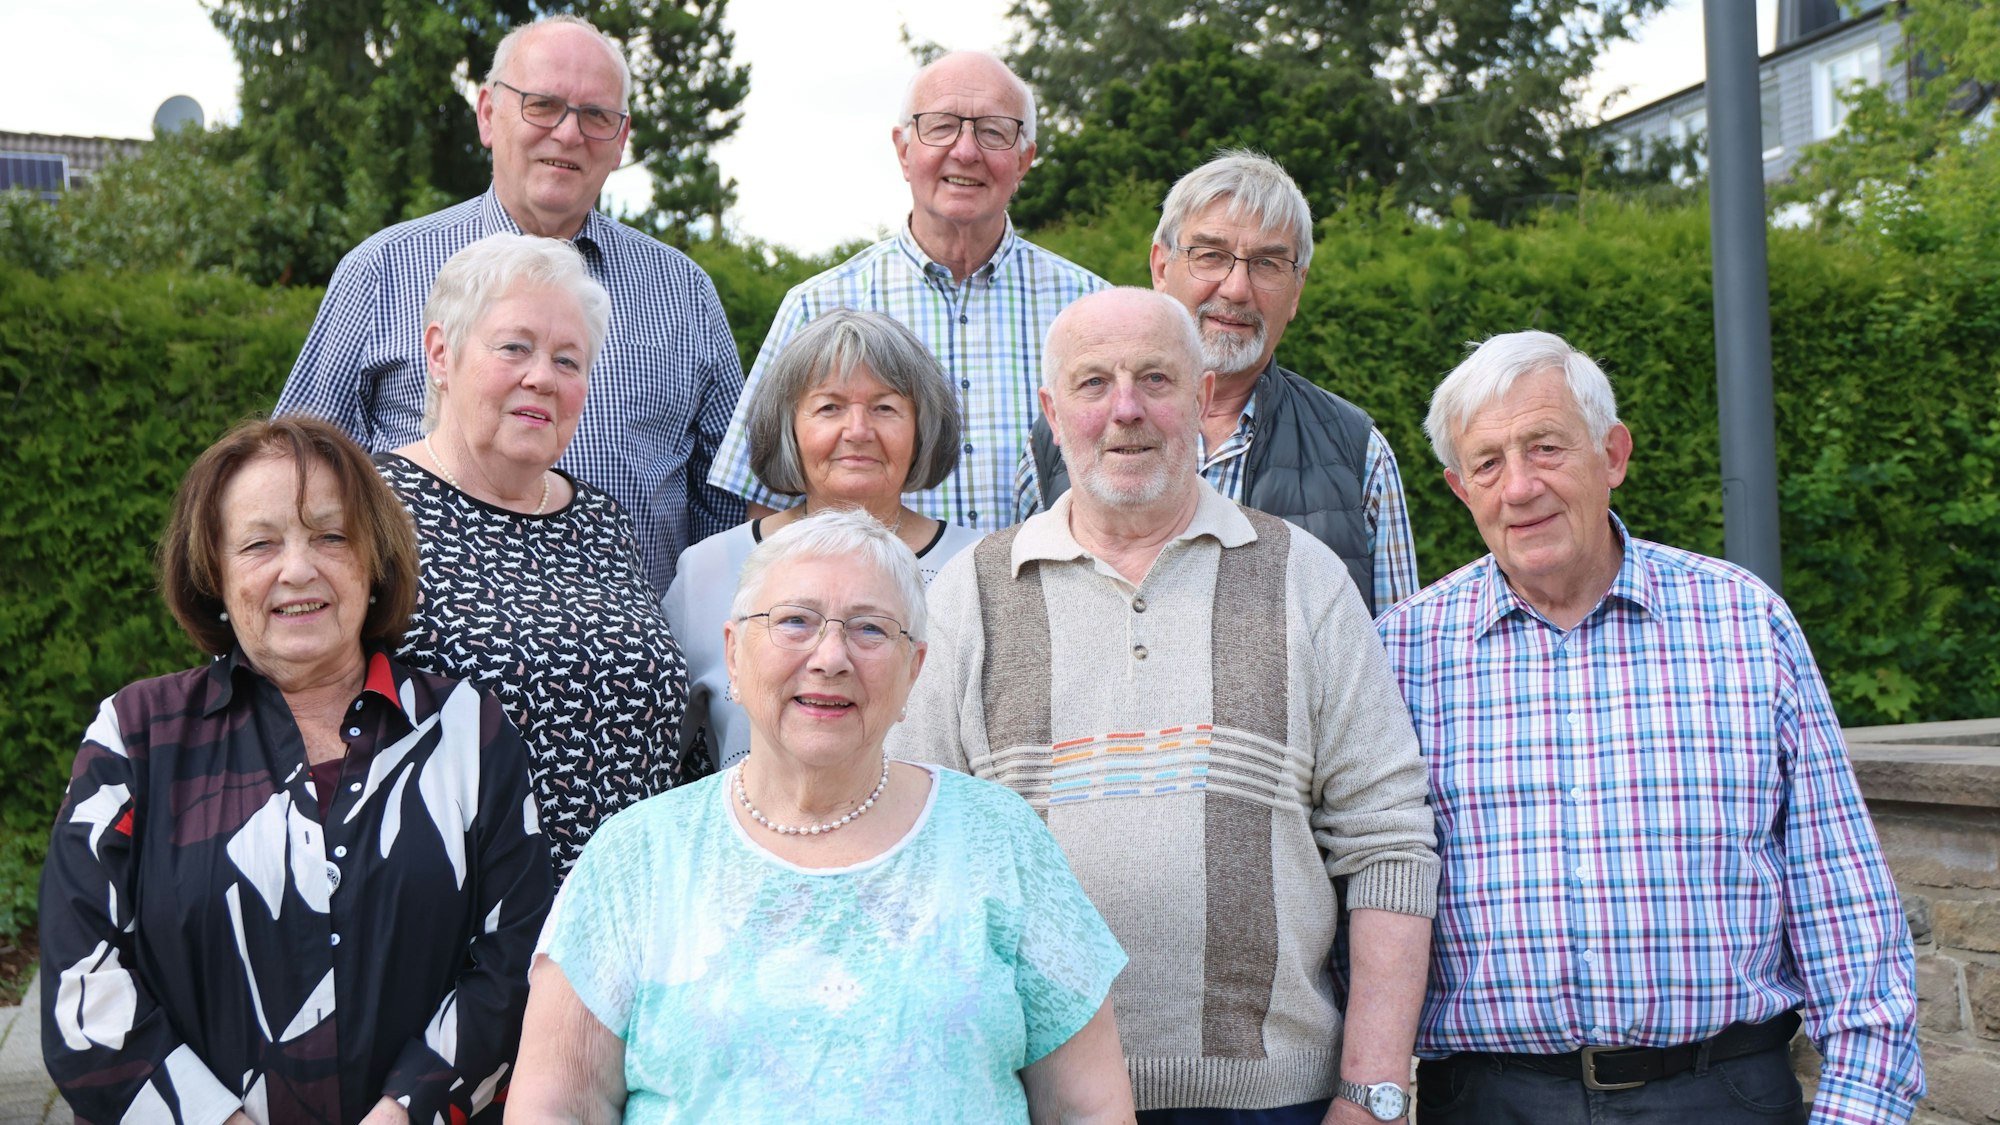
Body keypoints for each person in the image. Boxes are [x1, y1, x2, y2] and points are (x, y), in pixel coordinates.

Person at [894, 288, 1438, 1124]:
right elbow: (914, 850)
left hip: (1274, 1102)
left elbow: (1389, 840)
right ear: (1051, 409)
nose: (1125, 410)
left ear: (1199, 398)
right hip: (1031, 1100)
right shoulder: (971, 593)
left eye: (1155, 379)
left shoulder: (1304, 576)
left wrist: (1370, 1096)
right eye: (1092, 383)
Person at [1376, 330, 1924, 1124]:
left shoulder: (1743, 622)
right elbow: (1361, 898)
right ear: (1462, 490)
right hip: (1490, 1101)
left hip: (1722, 1093)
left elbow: (1845, 908)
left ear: (1613, 454)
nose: (1519, 486)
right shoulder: (1402, 652)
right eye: (1488, 463)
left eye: (1546, 446)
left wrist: (1861, 1107)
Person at [507, 509, 1135, 1123]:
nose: (831, 656)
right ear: (733, 653)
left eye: (869, 629)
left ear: (914, 669)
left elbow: (1088, 1106)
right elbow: (559, 1106)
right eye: (796, 622)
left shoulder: (999, 839)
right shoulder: (637, 856)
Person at [40, 417, 551, 1125]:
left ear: (373, 563)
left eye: (331, 536)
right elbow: (82, 983)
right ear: (214, 573)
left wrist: (407, 1111)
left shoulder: (470, 729)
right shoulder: (136, 737)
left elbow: (515, 954)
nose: (298, 568)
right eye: (260, 543)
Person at [275, 14, 743, 594]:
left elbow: (728, 510)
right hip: (422, 664)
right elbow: (296, 478)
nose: (569, 134)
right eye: (543, 105)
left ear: (621, 141)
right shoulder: (382, 271)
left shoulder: (683, 293)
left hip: (627, 663)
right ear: (488, 115)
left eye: (596, 116)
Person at [374, 232, 700, 877]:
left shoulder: (603, 521)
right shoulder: (372, 515)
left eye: (568, 360)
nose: (542, 378)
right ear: (441, 354)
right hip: (458, 928)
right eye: (515, 348)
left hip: (625, 920)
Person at [706, 50, 1105, 534]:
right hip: (870, 604)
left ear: (1024, 160)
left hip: (1045, 604)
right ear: (903, 149)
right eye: (940, 126)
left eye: (994, 131)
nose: (965, 150)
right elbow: (768, 505)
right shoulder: (817, 306)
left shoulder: (1093, 309)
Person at [1021, 150, 1418, 617]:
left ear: (1298, 290)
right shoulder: (1060, 437)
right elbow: (1023, 621)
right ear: (1161, 268)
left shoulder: (1358, 452)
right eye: (1211, 256)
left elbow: (1394, 656)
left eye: (1268, 264)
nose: (1236, 288)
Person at [664, 309, 982, 772]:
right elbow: (662, 754)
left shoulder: (981, 566)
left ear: (922, 428)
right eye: (829, 407)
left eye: (885, 407)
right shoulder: (708, 568)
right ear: (789, 427)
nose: (857, 431)